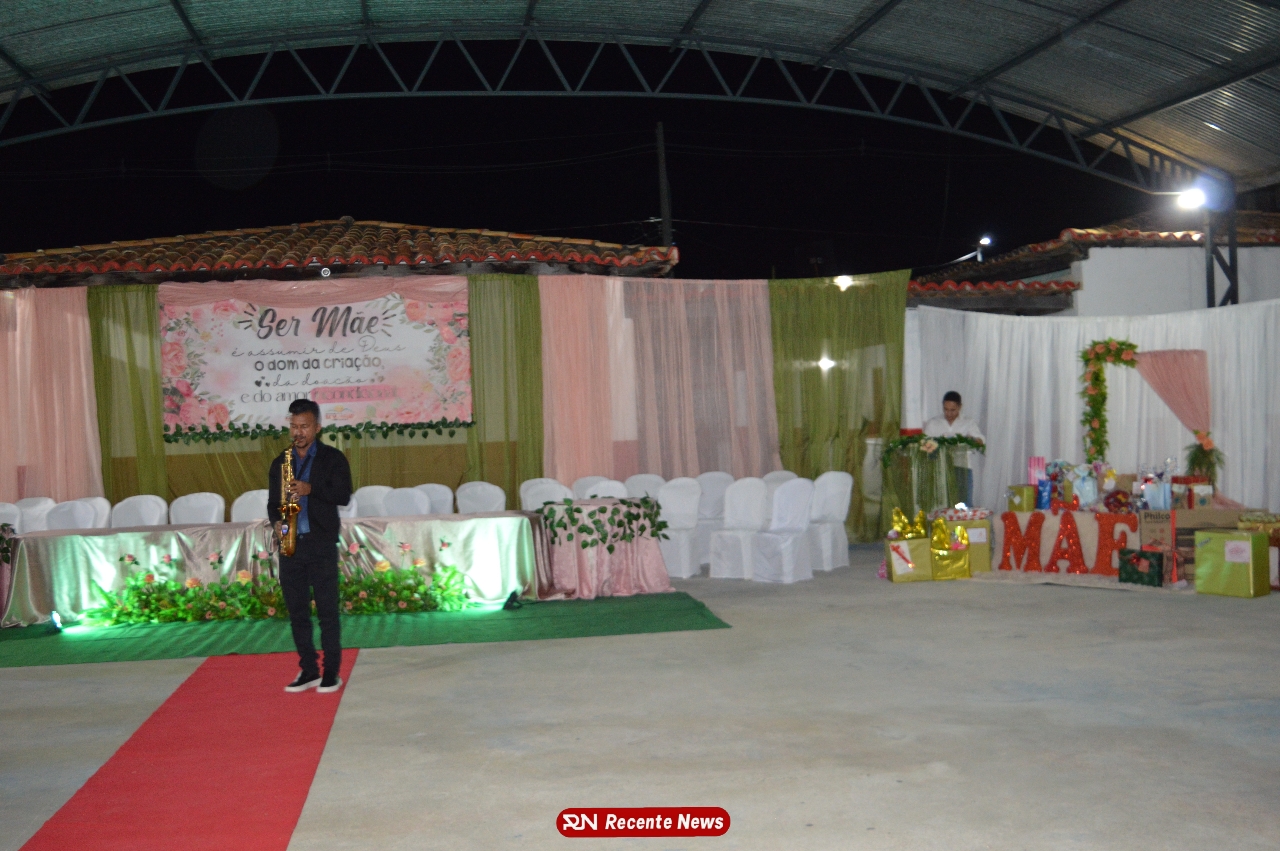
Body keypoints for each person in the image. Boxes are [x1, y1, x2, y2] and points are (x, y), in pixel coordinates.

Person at [269, 399, 353, 694]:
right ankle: (308, 670)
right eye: (293, 426)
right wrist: (278, 527)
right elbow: (273, 504)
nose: (298, 432)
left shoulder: (332, 458)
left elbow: (343, 495)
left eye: (304, 426)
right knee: (297, 612)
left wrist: (310, 489)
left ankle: (331, 672)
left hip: (321, 545)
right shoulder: (281, 462)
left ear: (317, 427)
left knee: (327, 611)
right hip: (290, 546)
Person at [922, 391, 985, 507]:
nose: (948, 413)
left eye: (952, 410)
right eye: (946, 409)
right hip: (939, 469)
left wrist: (973, 440)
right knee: (940, 505)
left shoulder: (968, 422)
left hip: (962, 469)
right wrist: (934, 445)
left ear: (960, 407)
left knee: (963, 505)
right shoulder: (933, 423)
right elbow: (924, 446)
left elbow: (980, 441)